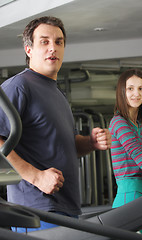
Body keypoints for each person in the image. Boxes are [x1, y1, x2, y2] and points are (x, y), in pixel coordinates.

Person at [0, 16, 111, 232]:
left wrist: (90, 142)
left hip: (66, 208)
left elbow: (68, 145)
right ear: (28, 49)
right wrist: (36, 176)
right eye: (44, 41)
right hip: (37, 211)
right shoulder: (19, 87)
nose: (53, 48)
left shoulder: (57, 93)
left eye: (59, 42)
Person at [109, 68, 142, 236]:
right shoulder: (119, 122)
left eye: (141, 88)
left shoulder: (137, 126)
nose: (136, 93)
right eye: (130, 88)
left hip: (139, 200)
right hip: (129, 200)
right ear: (121, 92)